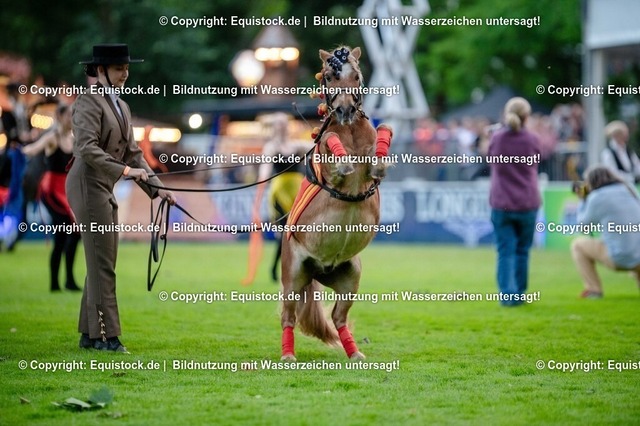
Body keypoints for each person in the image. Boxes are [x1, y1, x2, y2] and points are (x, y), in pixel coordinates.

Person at [68, 44, 176, 353]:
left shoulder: (122, 106)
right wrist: (126, 171)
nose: (125, 73)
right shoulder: (87, 102)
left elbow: (133, 153)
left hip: (103, 185)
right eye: (119, 68)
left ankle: (89, 334)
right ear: (100, 70)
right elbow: (87, 148)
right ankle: (107, 337)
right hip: (87, 185)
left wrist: (158, 188)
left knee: (100, 261)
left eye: (127, 68)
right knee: (103, 264)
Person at [488, 97, 541, 306]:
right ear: (526, 116)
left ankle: (507, 296)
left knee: (505, 251)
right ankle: (519, 293)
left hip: (502, 202)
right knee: (522, 251)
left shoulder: (497, 138)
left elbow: (489, 157)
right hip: (527, 202)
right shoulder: (532, 139)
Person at [22, 103, 81, 292]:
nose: (72, 119)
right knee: (61, 234)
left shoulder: (74, 140)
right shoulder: (52, 138)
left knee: (76, 234)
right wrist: (19, 149)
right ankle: (55, 284)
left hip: (67, 190)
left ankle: (69, 280)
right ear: (59, 116)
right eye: (69, 115)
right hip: (52, 191)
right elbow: (33, 149)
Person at [245, 113, 307, 284]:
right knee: (285, 234)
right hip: (280, 193)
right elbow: (265, 168)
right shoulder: (271, 147)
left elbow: (317, 146)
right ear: (274, 126)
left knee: (298, 233)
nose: (283, 126)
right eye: (279, 123)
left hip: (297, 193)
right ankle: (277, 267)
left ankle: (292, 268)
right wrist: (262, 181)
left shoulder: (297, 145)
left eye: (284, 123)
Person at [571, 166, 640, 298]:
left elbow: (583, 226)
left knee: (578, 245)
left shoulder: (597, 197)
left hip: (620, 257)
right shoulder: (629, 189)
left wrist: (582, 200)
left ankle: (594, 290)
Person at [600, 120, 640, 184]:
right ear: (615, 136)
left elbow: (637, 166)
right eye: (623, 134)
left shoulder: (628, 151)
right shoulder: (608, 153)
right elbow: (612, 173)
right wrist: (631, 177)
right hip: (617, 185)